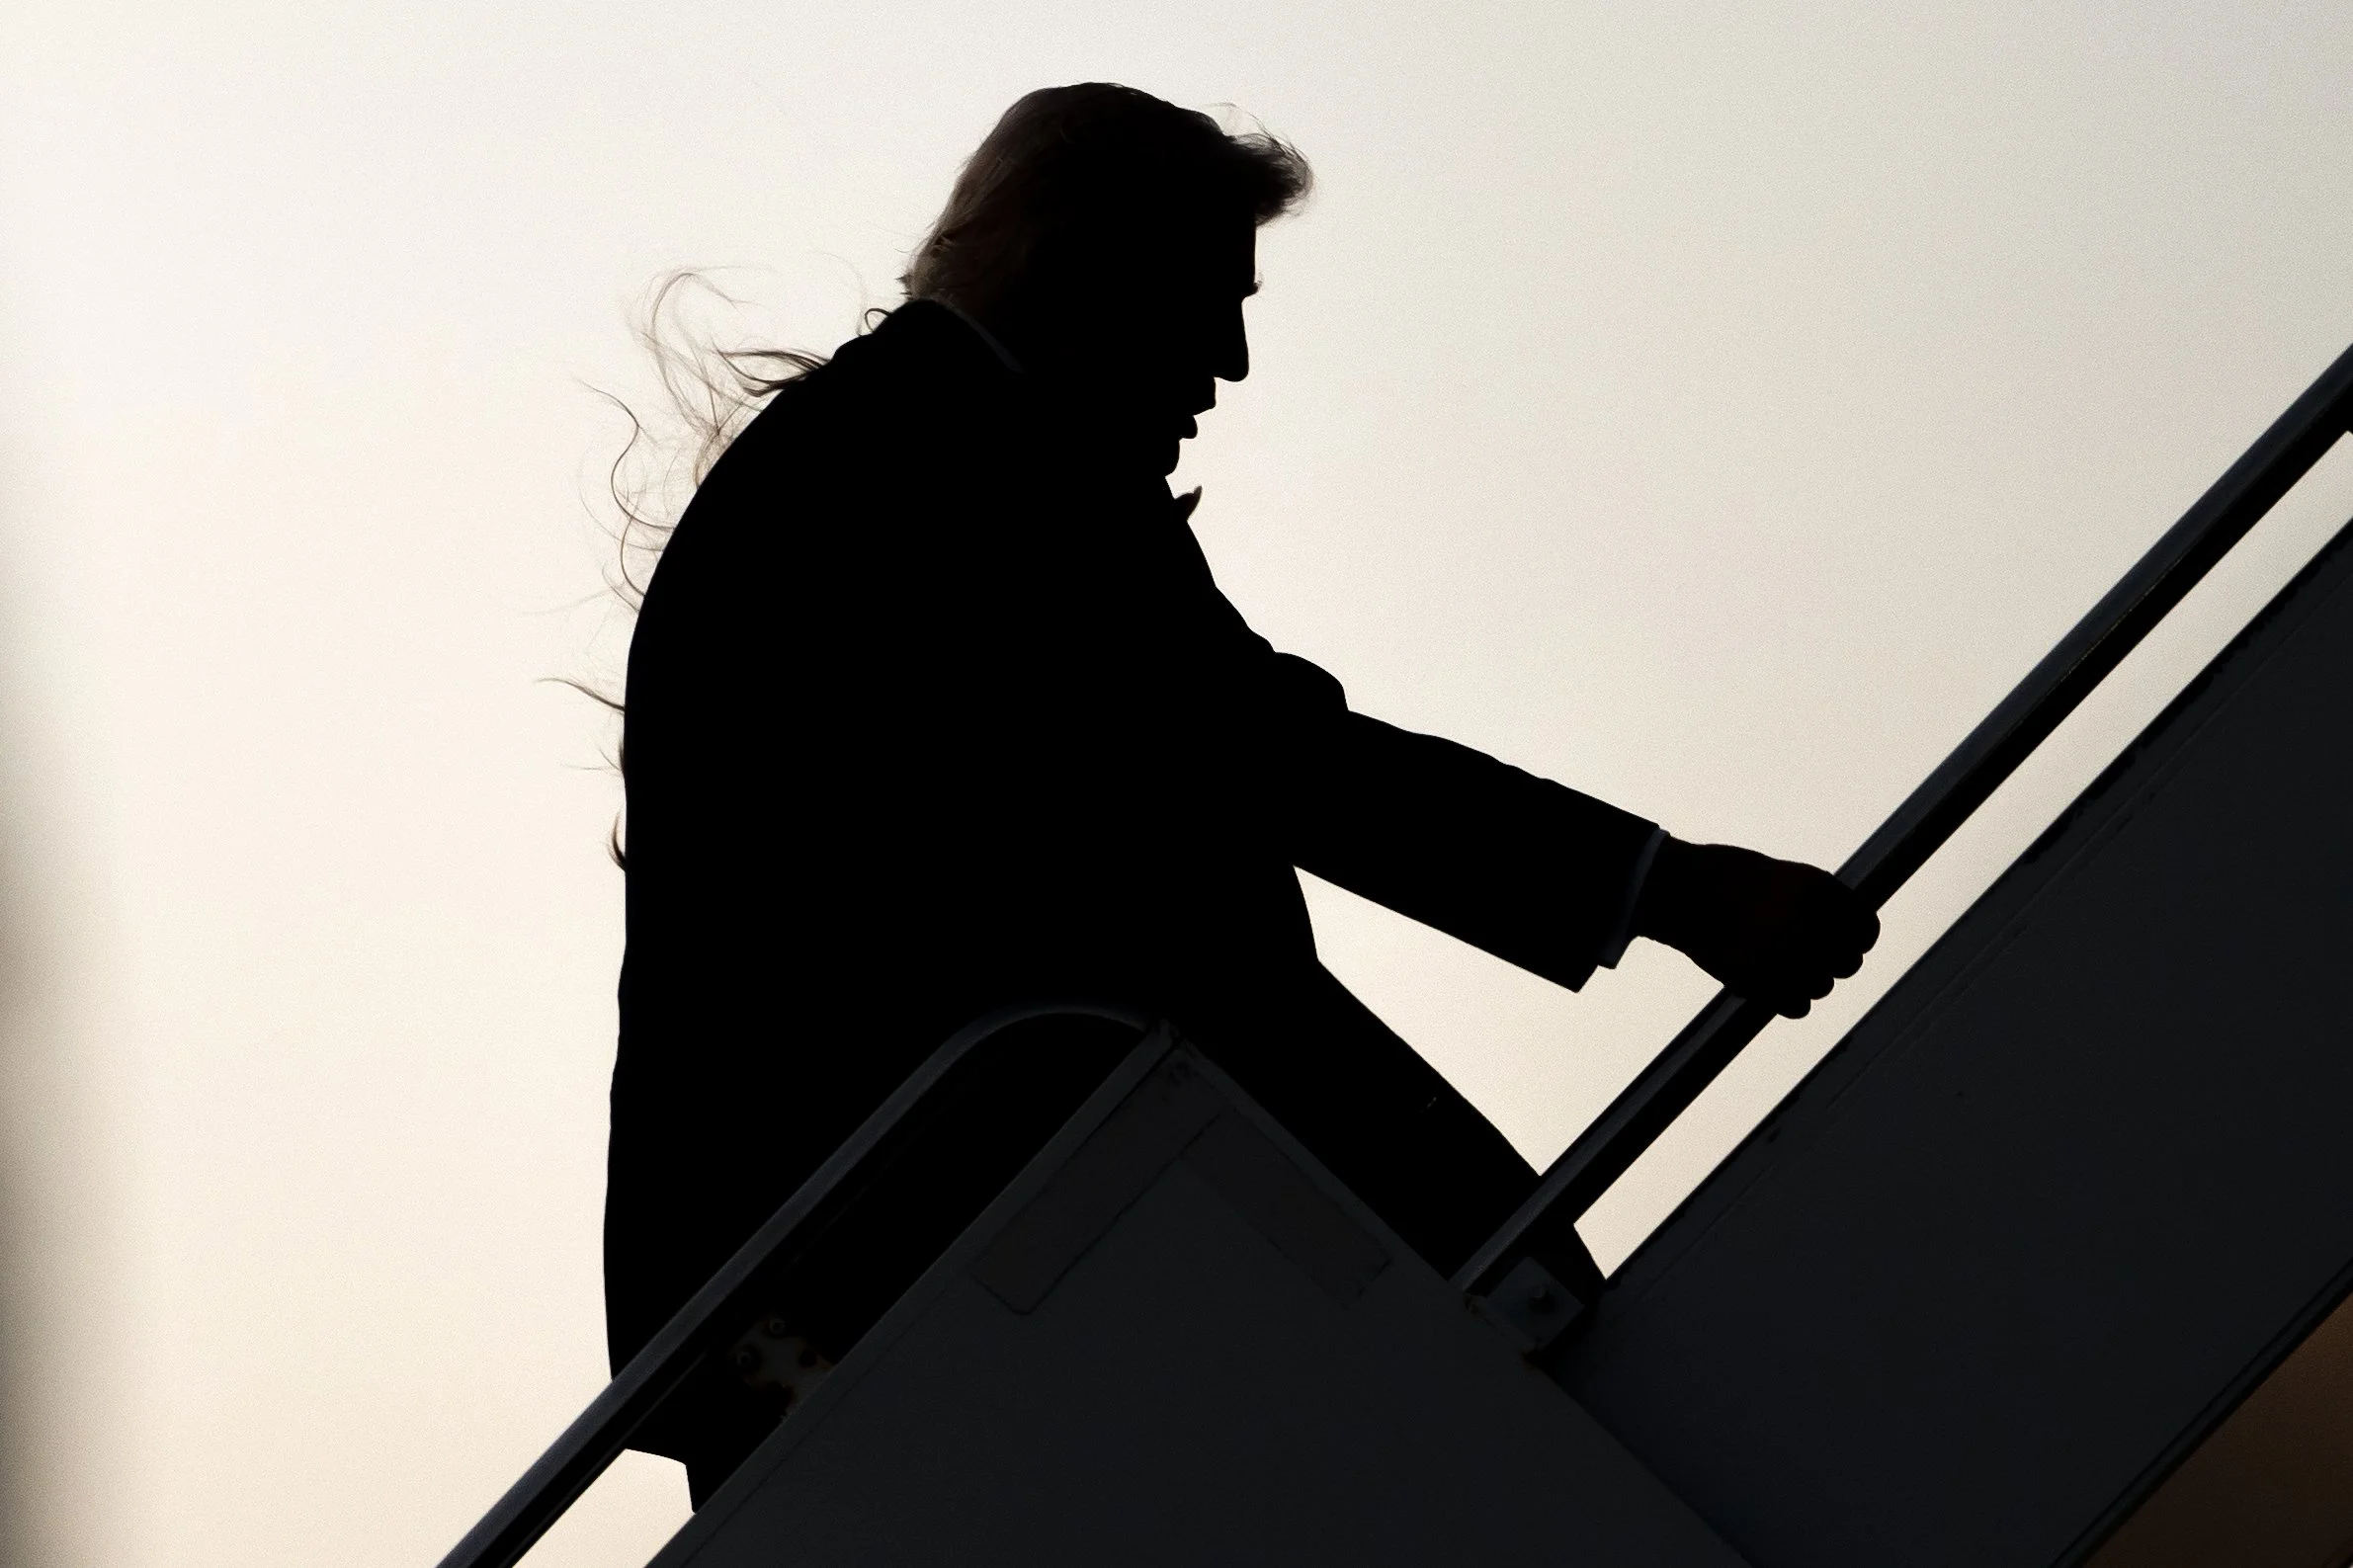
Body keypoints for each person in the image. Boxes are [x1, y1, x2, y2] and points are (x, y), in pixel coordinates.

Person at [605, 83, 1878, 1495]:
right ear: (1082, 270)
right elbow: (1264, 750)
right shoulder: (947, 463)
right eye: (1210, 296)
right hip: (928, 1252)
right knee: (1548, 1358)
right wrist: (1671, 886)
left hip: (873, 1276)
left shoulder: (902, 446)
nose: (1234, 359)